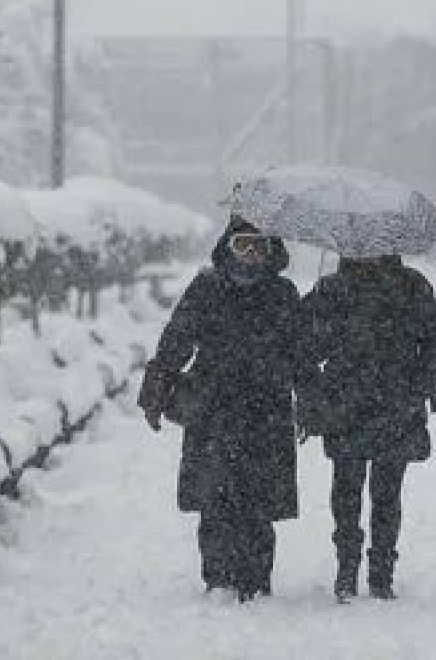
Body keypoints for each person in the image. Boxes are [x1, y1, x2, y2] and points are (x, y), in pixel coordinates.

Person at [137, 217, 303, 602]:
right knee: (215, 497)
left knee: (259, 502)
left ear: (270, 250)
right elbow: (176, 339)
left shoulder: (282, 293)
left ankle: (257, 578)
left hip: (267, 410)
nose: (249, 253)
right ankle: (219, 578)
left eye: (257, 245)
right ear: (228, 246)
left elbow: (301, 355)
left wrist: (313, 401)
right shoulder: (207, 287)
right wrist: (156, 392)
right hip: (214, 408)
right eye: (242, 244)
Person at [298, 255, 436, 602]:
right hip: (353, 406)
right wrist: (316, 390)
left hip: (389, 405)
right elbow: (303, 345)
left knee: (382, 491)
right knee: (351, 491)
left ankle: (378, 573)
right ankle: (350, 571)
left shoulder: (411, 285)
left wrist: (415, 389)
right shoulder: (336, 288)